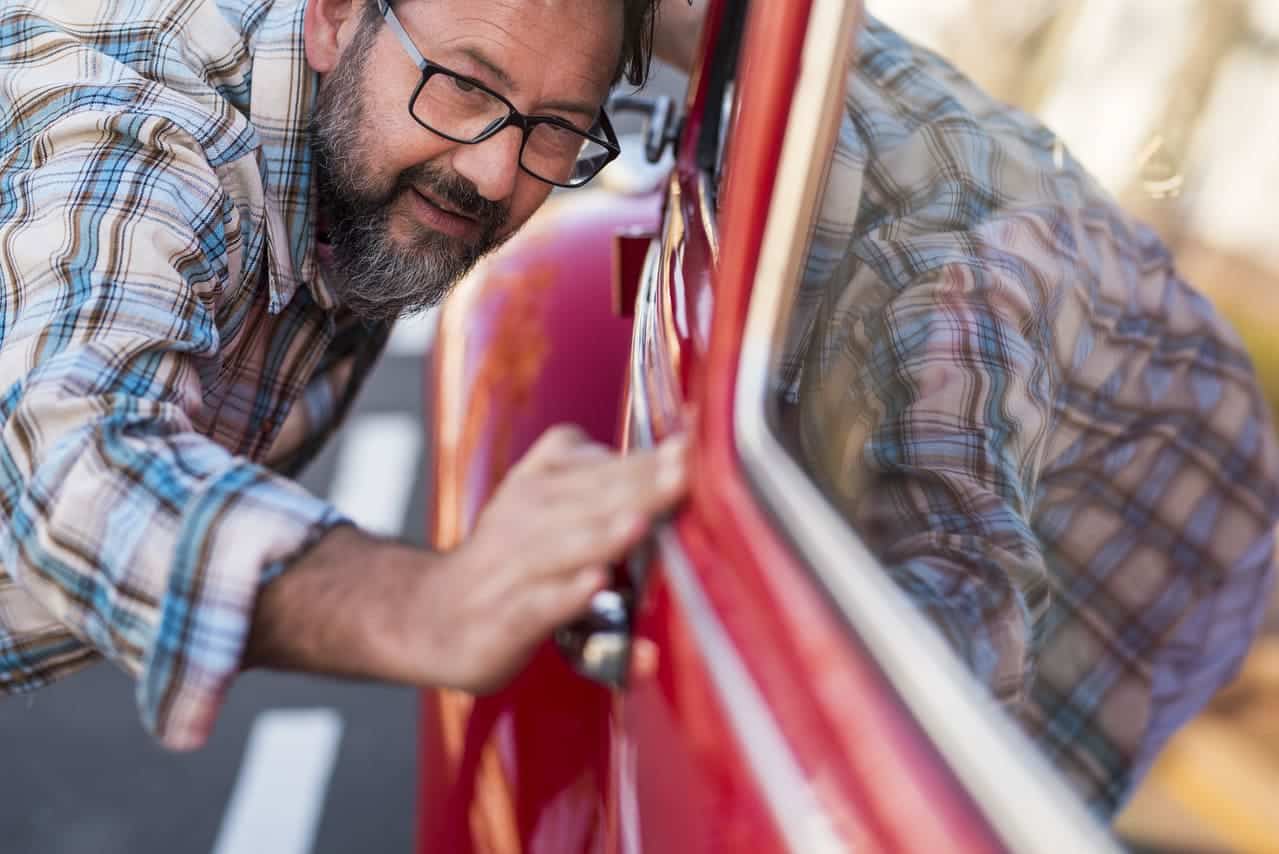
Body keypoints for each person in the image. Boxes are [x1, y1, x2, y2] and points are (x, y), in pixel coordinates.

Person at [0, 0, 691, 750]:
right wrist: (426, 605)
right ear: (333, 19)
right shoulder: (154, 141)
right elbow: (67, 454)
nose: (493, 175)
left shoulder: (386, 103)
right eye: (463, 84)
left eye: (557, 126)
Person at [777, 5, 1279, 818]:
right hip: (1172, 435)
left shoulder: (942, 277)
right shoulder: (812, 61)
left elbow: (965, 605)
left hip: (1198, 501)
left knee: (1007, 798)